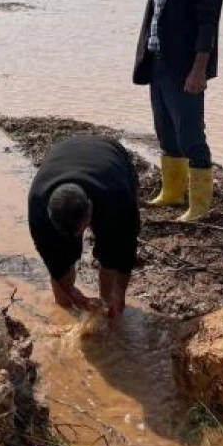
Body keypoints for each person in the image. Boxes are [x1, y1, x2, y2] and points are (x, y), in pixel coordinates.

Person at [132, 0, 223, 222]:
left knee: (190, 136)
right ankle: (172, 192)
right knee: (166, 133)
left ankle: (199, 206)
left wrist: (199, 70)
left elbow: (207, 26)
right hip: (158, 66)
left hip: (186, 70)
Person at [27, 135, 140, 320]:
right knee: (61, 258)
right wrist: (70, 292)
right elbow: (54, 260)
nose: (79, 236)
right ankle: (65, 313)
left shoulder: (117, 199)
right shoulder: (38, 208)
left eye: (82, 228)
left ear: (90, 207)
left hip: (110, 156)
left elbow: (124, 252)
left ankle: (108, 307)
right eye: (70, 233)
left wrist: (119, 292)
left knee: (112, 251)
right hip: (63, 152)